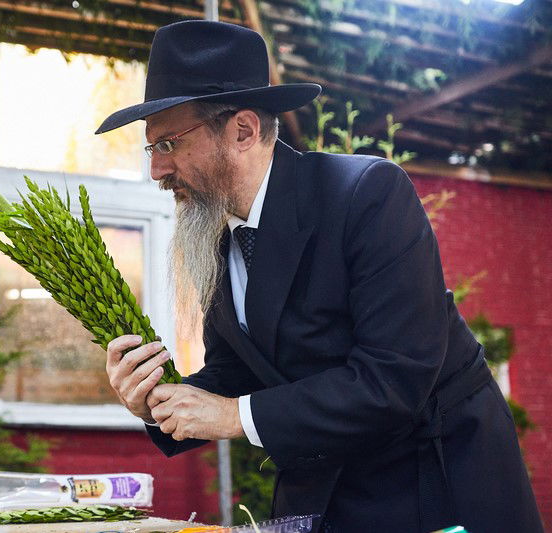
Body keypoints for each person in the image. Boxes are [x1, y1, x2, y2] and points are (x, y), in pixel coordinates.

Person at [95, 20, 543, 533]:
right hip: (326, 486)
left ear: (243, 130)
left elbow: (394, 379)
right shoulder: (216, 234)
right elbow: (234, 375)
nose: (157, 171)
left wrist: (235, 416)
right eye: (152, 149)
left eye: (169, 144)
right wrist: (155, 400)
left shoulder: (367, 194)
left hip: (435, 483)